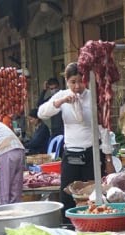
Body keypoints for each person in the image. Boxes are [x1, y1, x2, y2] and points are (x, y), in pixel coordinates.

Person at [38, 62, 114, 212]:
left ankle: (94, 224)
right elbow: (41, 113)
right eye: (73, 82)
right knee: (67, 194)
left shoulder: (94, 97)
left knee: (93, 193)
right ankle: (69, 226)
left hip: (91, 153)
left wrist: (108, 159)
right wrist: (60, 102)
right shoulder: (62, 95)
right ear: (67, 82)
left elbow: (103, 129)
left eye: (81, 81)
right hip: (71, 153)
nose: (77, 86)